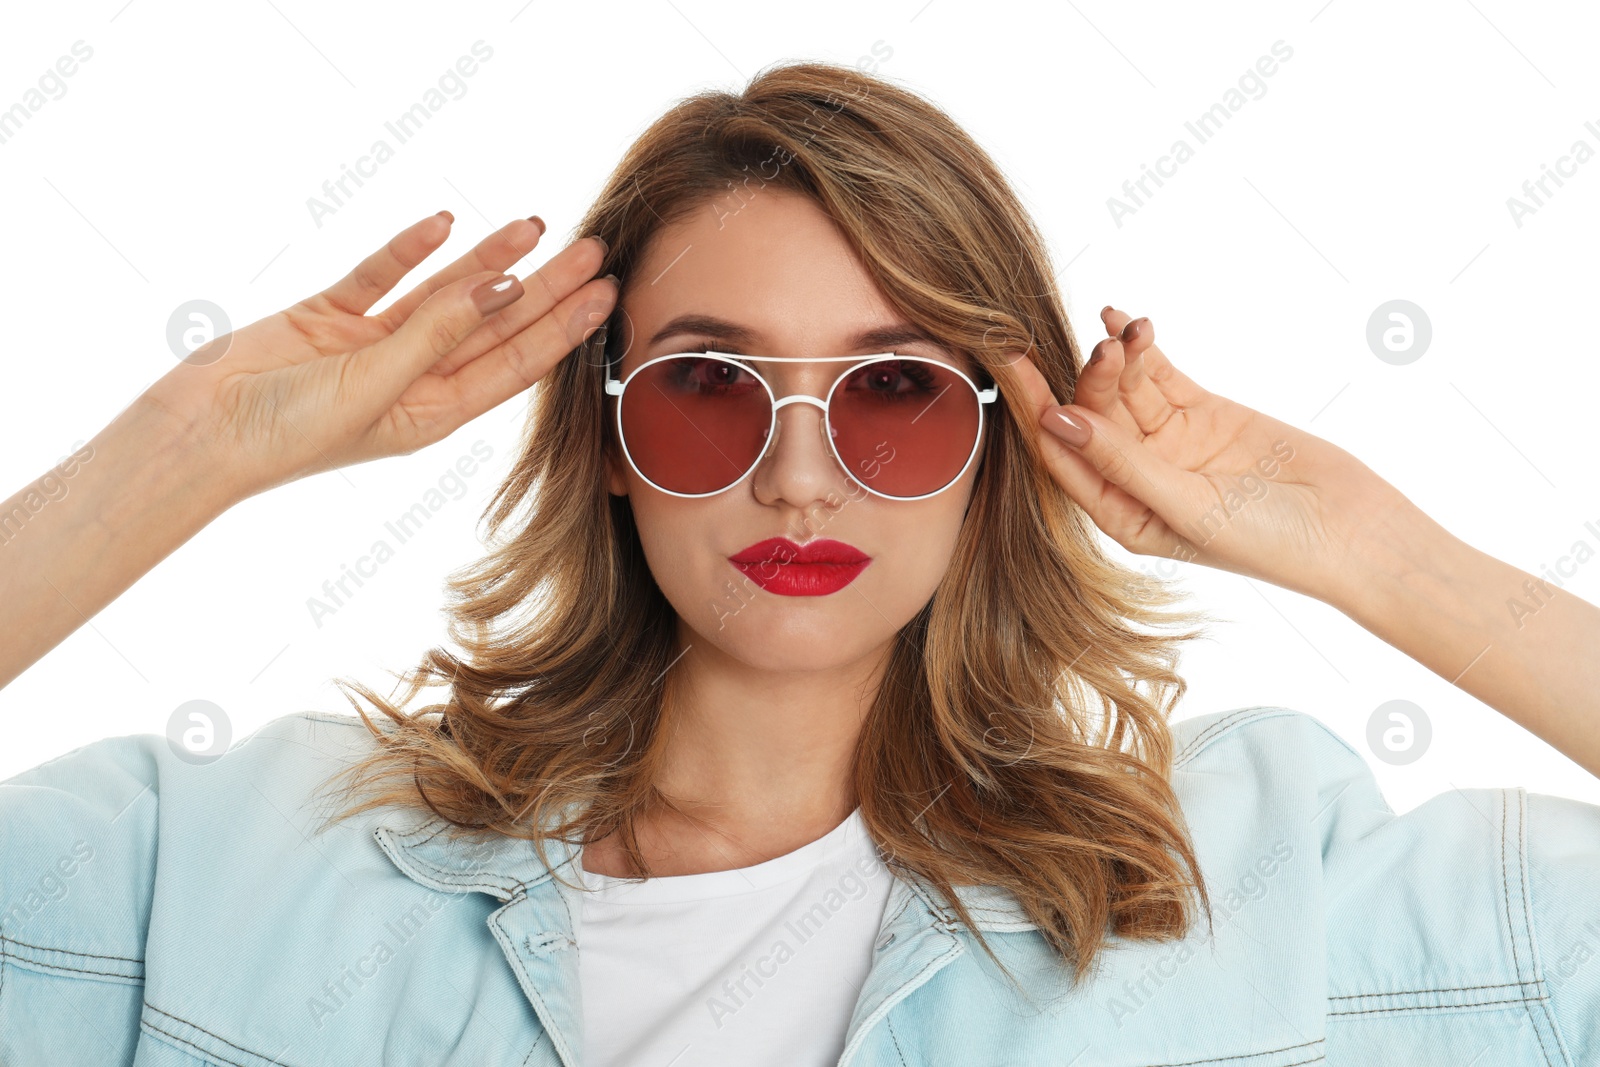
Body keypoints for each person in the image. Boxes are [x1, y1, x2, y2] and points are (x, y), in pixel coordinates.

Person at [2, 59, 1597, 1067]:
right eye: (709, 385)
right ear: (609, 441)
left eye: (894, 391)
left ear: (1001, 444)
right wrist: (185, 450)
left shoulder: (1242, 886)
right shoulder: (228, 866)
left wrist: (1375, 553)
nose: (798, 472)